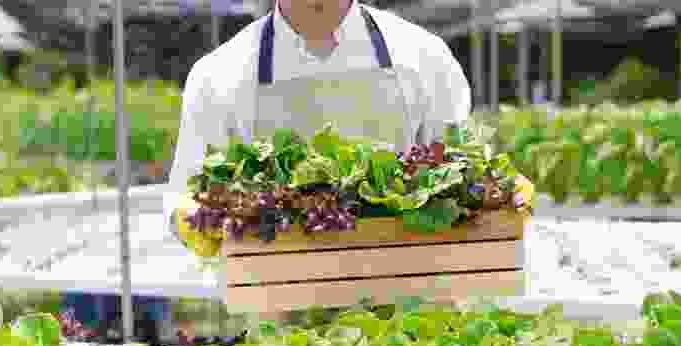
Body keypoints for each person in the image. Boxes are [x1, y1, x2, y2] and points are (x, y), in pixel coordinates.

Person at [164, 0, 473, 324]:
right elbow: (186, 195)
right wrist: (200, 219)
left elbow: (463, 174)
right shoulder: (218, 75)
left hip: (413, 323)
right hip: (280, 337)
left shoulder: (424, 57)